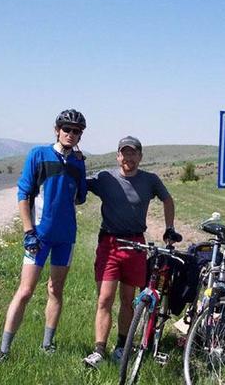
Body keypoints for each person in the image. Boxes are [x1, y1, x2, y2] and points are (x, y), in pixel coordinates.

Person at [0, 109, 87, 363]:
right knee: (25, 291)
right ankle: (3, 350)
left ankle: (47, 344)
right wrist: (28, 231)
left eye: (76, 131)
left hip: (66, 237)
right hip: (39, 237)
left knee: (56, 290)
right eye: (66, 129)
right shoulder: (38, 154)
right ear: (57, 130)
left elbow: (80, 197)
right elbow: (23, 194)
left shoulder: (78, 163)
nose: (71, 134)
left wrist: (79, 163)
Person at [83, 135, 179, 368]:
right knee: (105, 298)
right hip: (110, 244)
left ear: (140, 157)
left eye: (133, 153)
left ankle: (120, 347)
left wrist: (169, 228)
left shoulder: (150, 180)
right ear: (117, 156)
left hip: (136, 246)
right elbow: (78, 184)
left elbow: (168, 200)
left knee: (128, 300)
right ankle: (98, 351)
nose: (129, 157)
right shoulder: (105, 178)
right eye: (124, 153)